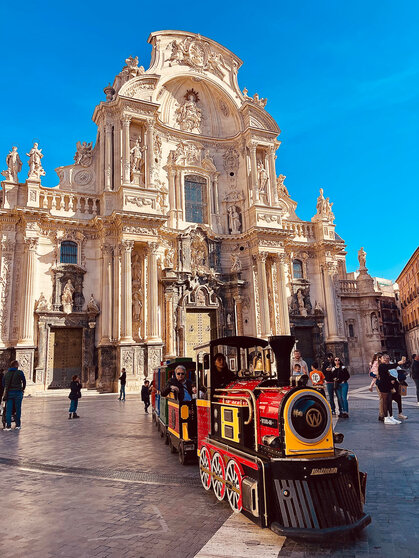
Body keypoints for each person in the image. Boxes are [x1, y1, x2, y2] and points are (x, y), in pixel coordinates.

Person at [376, 354, 402, 424]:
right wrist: (398, 363)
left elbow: (388, 376)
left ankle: (391, 416)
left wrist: (393, 379)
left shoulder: (385, 366)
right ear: (382, 359)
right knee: (385, 402)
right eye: (386, 359)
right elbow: (390, 366)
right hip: (383, 386)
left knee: (389, 402)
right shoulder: (382, 366)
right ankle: (386, 418)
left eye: (388, 358)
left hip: (388, 386)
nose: (387, 360)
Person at [2, 360, 26, 431]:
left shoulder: (6, 374)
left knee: (8, 410)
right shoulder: (20, 373)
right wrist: (22, 389)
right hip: (18, 393)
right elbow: (24, 381)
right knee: (18, 409)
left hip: (9, 394)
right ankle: (18, 425)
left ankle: (8, 426)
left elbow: (3, 384)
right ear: (17, 366)